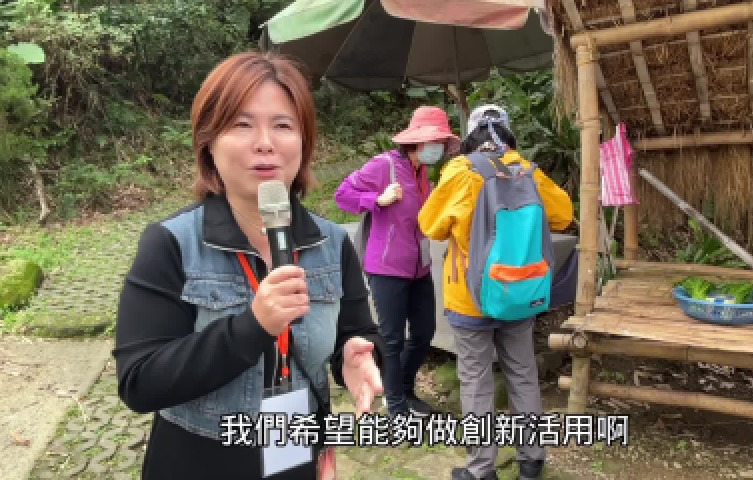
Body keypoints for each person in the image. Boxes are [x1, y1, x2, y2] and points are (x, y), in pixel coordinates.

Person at [113, 51, 384, 480]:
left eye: (283, 125)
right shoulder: (171, 243)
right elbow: (139, 381)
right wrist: (252, 327)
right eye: (242, 125)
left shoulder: (332, 243)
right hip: (198, 461)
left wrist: (357, 355)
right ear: (209, 142)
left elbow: (357, 331)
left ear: (304, 142)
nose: (265, 143)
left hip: (294, 449)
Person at [417, 105, 574, 480]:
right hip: (520, 292)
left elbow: (430, 225)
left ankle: (481, 469)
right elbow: (563, 215)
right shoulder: (527, 171)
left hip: (470, 297)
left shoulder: (461, 171)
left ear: (471, 135)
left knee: (476, 381)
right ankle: (532, 460)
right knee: (522, 373)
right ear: (507, 133)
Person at [334, 106, 459, 415]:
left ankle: (403, 389)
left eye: (442, 142)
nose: (439, 148)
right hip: (386, 268)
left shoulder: (424, 172)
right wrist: (376, 200)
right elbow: (343, 195)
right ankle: (396, 404)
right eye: (435, 141)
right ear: (417, 141)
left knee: (424, 332)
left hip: (419, 267)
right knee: (392, 339)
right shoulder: (384, 165)